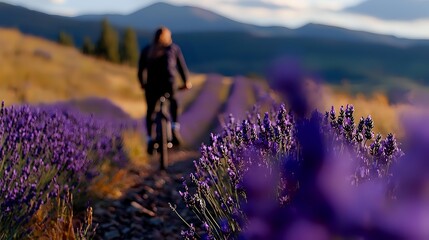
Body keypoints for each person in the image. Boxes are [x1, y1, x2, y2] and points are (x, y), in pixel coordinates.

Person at [138, 27, 192, 154]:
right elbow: (182, 68)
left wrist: (143, 84)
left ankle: (149, 138)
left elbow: (141, 71)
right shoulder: (173, 48)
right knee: (173, 103)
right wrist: (186, 83)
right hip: (169, 84)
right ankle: (174, 128)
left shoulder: (147, 50)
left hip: (151, 86)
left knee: (150, 111)